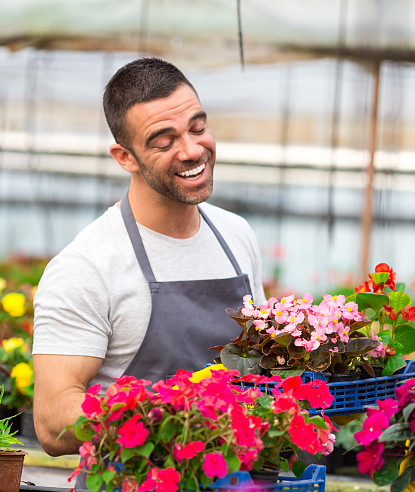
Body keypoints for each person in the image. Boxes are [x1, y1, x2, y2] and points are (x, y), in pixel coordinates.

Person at [32, 57, 267, 457]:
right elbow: (54, 421)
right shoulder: (87, 266)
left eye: (198, 127)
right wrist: (175, 413)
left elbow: (262, 366)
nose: (193, 150)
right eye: (164, 141)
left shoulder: (236, 234)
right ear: (124, 157)